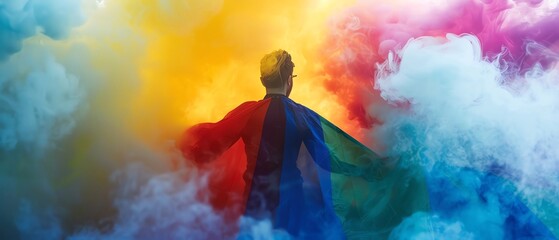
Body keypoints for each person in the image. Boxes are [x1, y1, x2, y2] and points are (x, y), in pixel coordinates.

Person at [179, 50, 429, 239]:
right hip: (292, 200)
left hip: (255, 199)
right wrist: (372, 168)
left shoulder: (248, 113)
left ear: (262, 79)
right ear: (289, 79)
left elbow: (212, 141)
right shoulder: (301, 116)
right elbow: (329, 156)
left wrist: (177, 148)